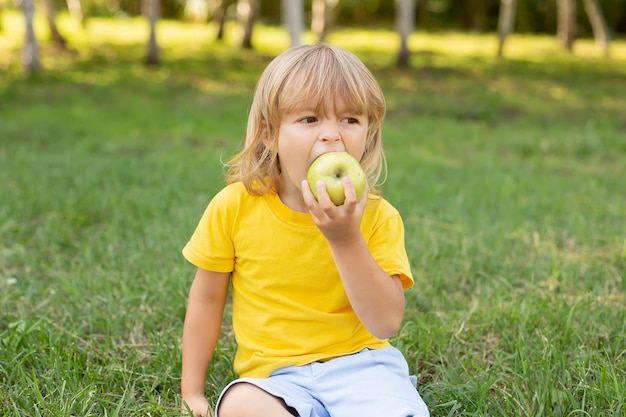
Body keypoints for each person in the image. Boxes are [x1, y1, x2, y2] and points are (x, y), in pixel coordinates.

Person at [180, 43, 430, 417]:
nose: (332, 135)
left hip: (362, 367)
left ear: (369, 134)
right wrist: (192, 391)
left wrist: (345, 238)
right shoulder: (234, 207)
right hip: (274, 377)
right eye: (310, 119)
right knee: (239, 405)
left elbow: (386, 321)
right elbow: (207, 300)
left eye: (350, 120)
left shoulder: (379, 217)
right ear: (269, 134)